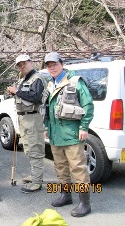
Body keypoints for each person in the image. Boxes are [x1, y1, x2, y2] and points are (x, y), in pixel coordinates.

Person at [43, 52, 94, 217]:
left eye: (54, 64)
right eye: (48, 65)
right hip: (55, 135)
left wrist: (84, 127)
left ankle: (85, 204)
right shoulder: (51, 84)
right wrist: (46, 126)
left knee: (78, 168)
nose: (52, 68)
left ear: (62, 64)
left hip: (72, 134)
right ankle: (66, 195)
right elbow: (49, 109)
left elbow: (88, 105)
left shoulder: (75, 82)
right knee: (61, 167)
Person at [6, 54, 46, 193]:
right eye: (19, 65)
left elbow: (35, 97)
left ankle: (37, 181)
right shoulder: (24, 79)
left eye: (24, 63)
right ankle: (34, 175)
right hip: (24, 118)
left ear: (31, 62)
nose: (22, 67)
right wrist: (14, 92)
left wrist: (17, 91)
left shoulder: (37, 79)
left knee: (35, 149)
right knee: (28, 148)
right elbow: (24, 95)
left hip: (33, 118)